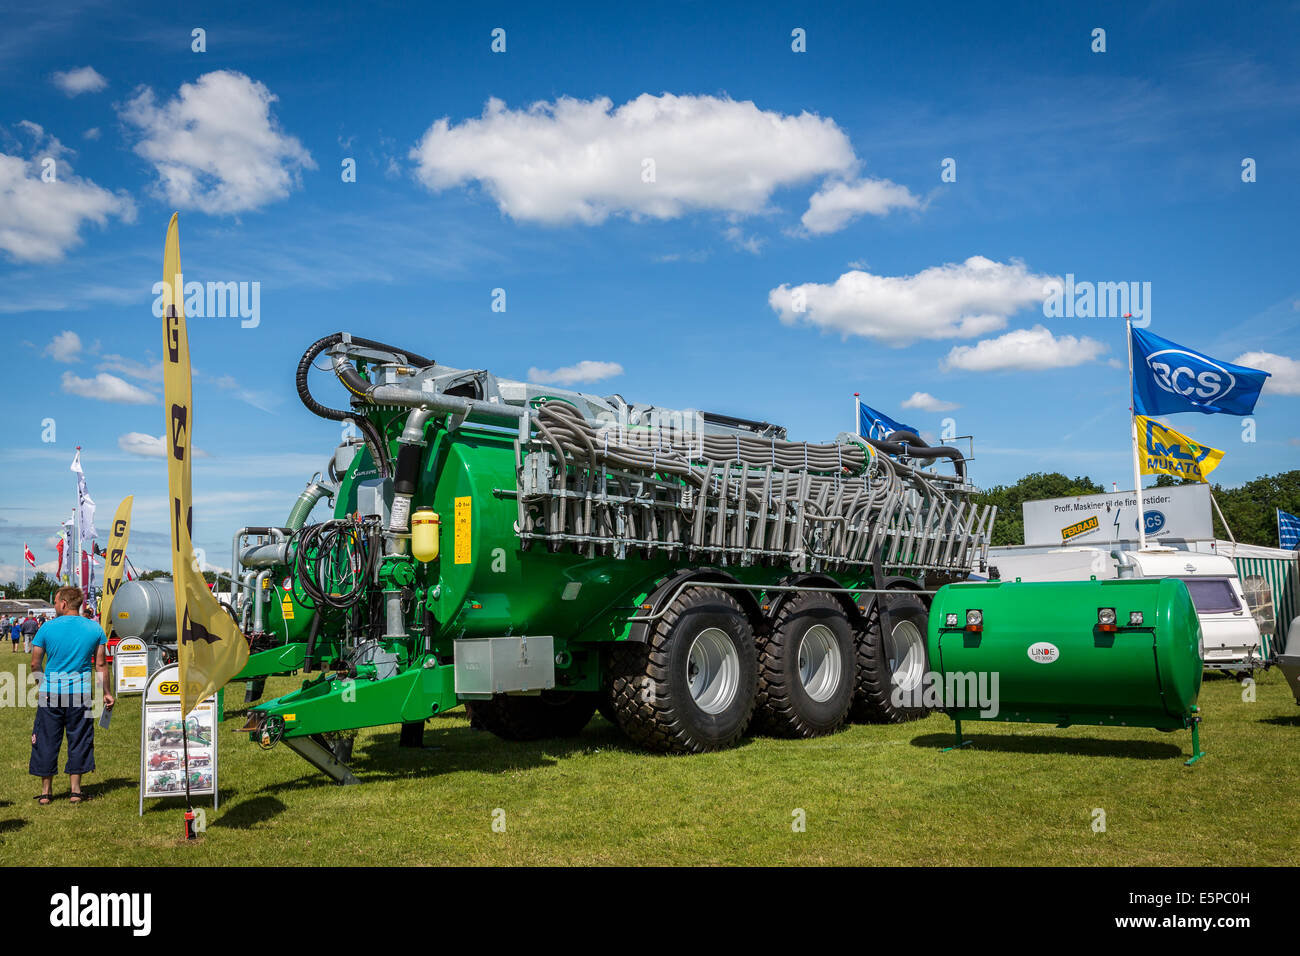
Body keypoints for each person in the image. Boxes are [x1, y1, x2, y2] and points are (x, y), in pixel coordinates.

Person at [29, 587, 112, 804]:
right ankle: (76, 791)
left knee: (46, 739)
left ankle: (46, 793)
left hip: (51, 693)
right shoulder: (95, 628)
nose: (55, 606)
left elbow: (35, 662)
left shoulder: (47, 628)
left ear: (64, 603)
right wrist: (107, 693)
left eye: (55, 602)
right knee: (80, 739)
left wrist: (41, 685)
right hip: (80, 694)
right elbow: (101, 665)